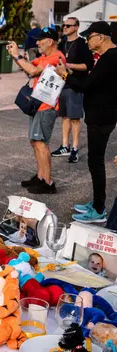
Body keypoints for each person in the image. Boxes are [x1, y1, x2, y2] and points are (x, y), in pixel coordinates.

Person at [56, 21, 117, 223]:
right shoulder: (107, 57)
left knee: (96, 162)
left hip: (102, 117)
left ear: (101, 37)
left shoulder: (110, 58)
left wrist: (64, 74)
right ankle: (96, 202)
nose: (87, 41)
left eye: (89, 37)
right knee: (94, 161)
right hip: (100, 115)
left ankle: (99, 209)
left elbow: (87, 86)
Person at [8, 27, 65, 195]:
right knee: (35, 141)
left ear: (51, 41)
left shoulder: (56, 57)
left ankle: (48, 182)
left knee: (40, 143)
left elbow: (33, 70)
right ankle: (40, 177)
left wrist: (17, 55)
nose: (37, 42)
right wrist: (16, 55)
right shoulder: (45, 57)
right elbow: (27, 67)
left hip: (47, 106)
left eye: (41, 39)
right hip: (39, 104)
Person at [50, 18, 94, 164]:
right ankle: (64, 146)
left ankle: (74, 148)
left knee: (75, 118)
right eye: (64, 25)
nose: (65, 27)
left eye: (68, 25)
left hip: (75, 84)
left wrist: (69, 65)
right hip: (62, 84)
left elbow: (88, 66)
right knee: (64, 117)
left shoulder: (82, 43)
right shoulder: (62, 43)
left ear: (76, 27)